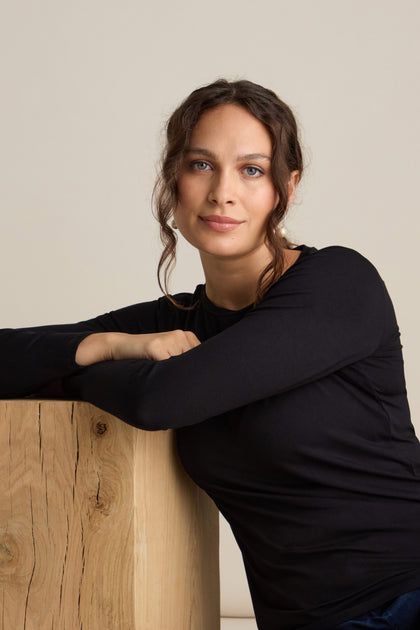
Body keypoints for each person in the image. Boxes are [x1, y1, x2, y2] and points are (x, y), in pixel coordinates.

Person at [1, 78, 420, 630]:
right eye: (201, 165)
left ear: (286, 187)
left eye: (252, 169)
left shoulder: (340, 284)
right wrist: (109, 346)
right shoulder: (170, 325)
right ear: (173, 180)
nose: (223, 191)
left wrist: (81, 368)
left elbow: (163, 400)